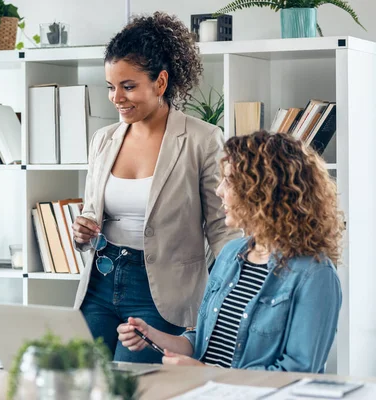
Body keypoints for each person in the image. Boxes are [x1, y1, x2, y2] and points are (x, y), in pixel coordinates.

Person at [72, 11, 239, 364]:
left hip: (163, 294)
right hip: (100, 285)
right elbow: (92, 213)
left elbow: (222, 227)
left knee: (142, 388)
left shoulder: (202, 140)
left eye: (128, 86)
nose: (116, 97)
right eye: (111, 87)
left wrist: (233, 289)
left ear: (160, 83)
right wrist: (82, 232)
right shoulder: (103, 140)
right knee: (84, 383)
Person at [117, 131, 345, 372]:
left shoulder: (315, 275)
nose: (219, 191)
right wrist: (152, 335)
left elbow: (298, 373)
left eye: (229, 181)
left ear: (264, 192)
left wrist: (206, 374)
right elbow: (204, 342)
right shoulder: (230, 254)